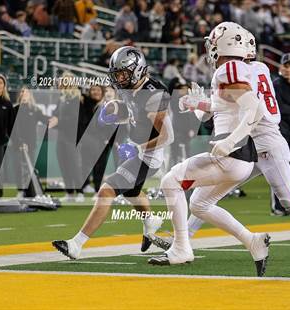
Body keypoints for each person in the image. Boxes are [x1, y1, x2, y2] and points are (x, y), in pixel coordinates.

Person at [150, 30, 290, 255]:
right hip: (251, 144)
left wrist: (216, 119)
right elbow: (233, 103)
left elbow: (248, 107)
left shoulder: (235, 70)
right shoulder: (257, 68)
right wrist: (201, 105)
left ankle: (182, 241)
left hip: (264, 144)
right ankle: (182, 240)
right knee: (203, 198)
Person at [148, 22, 270, 277]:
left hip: (231, 153)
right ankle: (252, 241)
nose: (210, 49)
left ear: (221, 44)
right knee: (200, 204)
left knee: (171, 181)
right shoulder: (240, 69)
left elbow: (254, 109)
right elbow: (226, 106)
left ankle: (181, 248)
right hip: (242, 159)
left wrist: (230, 141)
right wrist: (198, 104)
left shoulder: (227, 69)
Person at [52, 46, 173, 259]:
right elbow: (134, 112)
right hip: (139, 152)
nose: (119, 78)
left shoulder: (153, 93)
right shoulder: (129, 88)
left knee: (106, 191)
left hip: (148, 156)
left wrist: (138, 148)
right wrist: (116, 109)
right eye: (116, 74)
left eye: (122, 73)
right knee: (131, 192)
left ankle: (76, 244)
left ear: (136, 70)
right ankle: (150, 221)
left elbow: (167, 136)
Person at [13, 87, 56, 197]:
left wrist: (56, 119)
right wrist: (20, 142)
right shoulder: (14, 109)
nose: (24, 94)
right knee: (19, 168)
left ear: (30, 95)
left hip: (31, 144)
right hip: (18, 144)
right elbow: (13, 128)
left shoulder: (35, 109)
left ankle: (29, 191)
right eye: (22, 91)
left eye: (26, 92)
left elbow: (46, 120)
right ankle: (20, 191)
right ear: (19, 95)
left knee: (29, 168)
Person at [49, 71, 86, 203]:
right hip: (61, 137)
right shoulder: (61, 98)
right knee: (63, 164)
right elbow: (55, 114)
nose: (66, 82)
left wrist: (58, 121)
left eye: (68, 80)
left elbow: (75, 119)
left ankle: (80, 192)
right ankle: (70, 193)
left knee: (74, 165)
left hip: (73, 137)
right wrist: (52, 119)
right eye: (64, 80)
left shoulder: (78, 97)